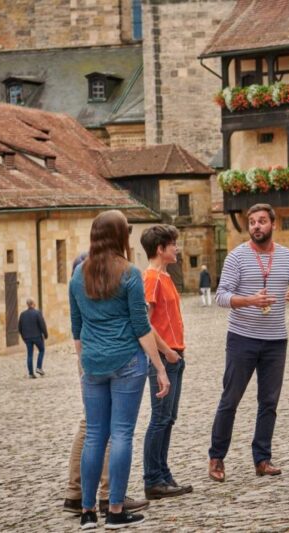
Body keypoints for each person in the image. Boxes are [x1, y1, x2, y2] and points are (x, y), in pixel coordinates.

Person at [69, 210, 170, 530]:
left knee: (96, 435)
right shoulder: (129, 273)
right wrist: (160, 368)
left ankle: (87, 512)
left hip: (93, 365)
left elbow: (76, 329)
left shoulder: (77, 275)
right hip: (127, 362)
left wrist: (84, 367)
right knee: (122, 433)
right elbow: (141, 328)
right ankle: (114, 509)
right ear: (120, 236)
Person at [208, 203, 289, 482]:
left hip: (276, 341)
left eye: (262, 221)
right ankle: (216, 457)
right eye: (252, 221)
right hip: (242, 339)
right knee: (230, 399)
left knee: (269, 402)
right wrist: (249, 300)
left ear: (273, 224)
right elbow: (221, 297)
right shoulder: (236, 258)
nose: (256, 226)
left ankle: (262, 459)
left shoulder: (288, 257)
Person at [63, 251, 149, 518]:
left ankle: (80, 498)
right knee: (114, 430)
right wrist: (160, 362)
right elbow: (139, 324)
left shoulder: (81, 268)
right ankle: (110, 499)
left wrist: (85, 359)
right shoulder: (122, 270)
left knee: (92, 428)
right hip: (116, 355)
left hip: (91, 355)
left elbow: (76, 326)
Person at [140, 225, 193, 500]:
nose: (176, 248)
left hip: (175, 354)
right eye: (172, 244)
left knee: (168, 418)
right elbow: (144, 323)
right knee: (160, 418)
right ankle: (152, 478)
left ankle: (163, 473)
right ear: (160, 249)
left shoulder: (166, 277)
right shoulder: (151, 278)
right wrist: (167, 352)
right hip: (165, 356)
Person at [18, 297, 48, 378]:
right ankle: (38, 367)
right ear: (32, 304)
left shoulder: (22, 314)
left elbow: (19, 328)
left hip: (27, 338)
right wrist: (45, 334)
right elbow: (42, 325)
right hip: (37, 336)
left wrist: (23, 337)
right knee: (41, 350)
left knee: (30, 354)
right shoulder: (37, 313)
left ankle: (31, 373)